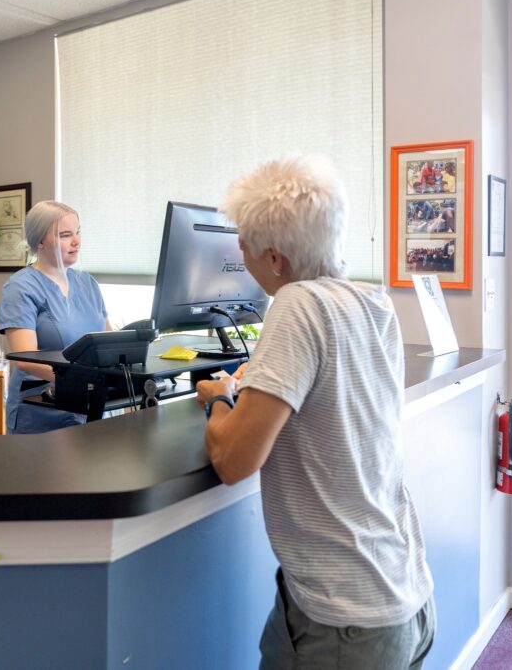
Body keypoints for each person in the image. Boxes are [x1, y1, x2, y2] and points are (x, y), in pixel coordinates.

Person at [195, 156, 435, 669]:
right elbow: (331, 400)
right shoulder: (372, 303)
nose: (241, 256)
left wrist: (217, 399)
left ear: (276, 260)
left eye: (246, 248)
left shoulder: (297, 304)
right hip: (402, 592)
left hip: (346, 623)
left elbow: (234, 460)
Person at [0, 200, 110, 434]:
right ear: (40, 241)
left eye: (78, 232)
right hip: (42, 413)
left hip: (92, 408)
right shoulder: (21, 287)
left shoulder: (87, 283)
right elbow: (26, 359)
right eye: (66, 235)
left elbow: (108, 341)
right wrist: (87, 381)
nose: (76, 241)